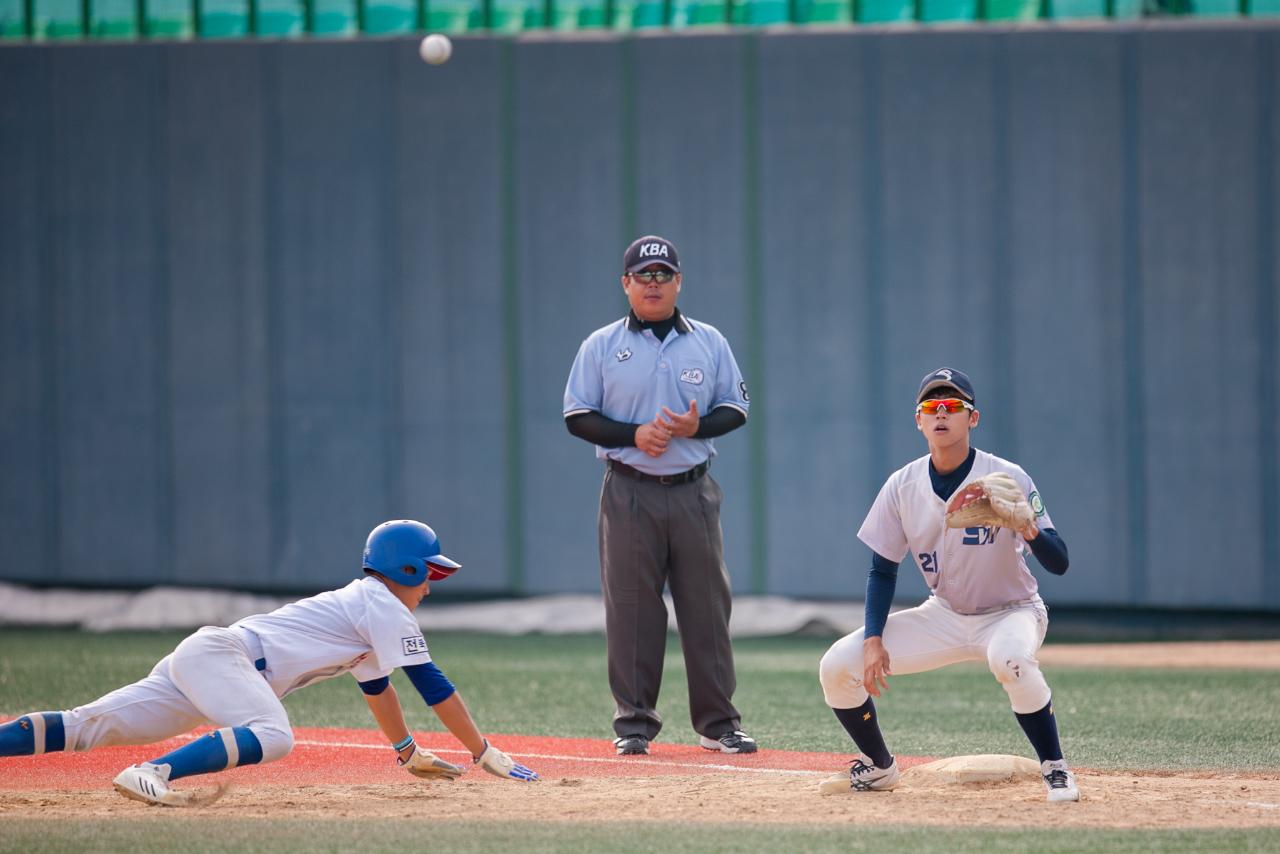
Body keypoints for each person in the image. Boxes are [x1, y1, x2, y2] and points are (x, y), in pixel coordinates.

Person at [0, 520, 539, 805]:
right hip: (227, 661)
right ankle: (153, 772)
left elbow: (379, 689)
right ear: (402, 568)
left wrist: (406, 752)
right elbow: (432, 685)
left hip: (214, 660)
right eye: (427, 573)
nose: (429, 585)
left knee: (86, 725)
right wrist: (482, 752)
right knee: (273, 734)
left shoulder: (368, 609)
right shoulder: (384, 606)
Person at [817, 368, 1079, 802]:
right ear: (918, 421)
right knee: (837, 664)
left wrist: (1030, 529)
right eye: (931, 407)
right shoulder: (902, 486)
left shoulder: (1006, 477)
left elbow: (1061, 562)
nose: (942, 413)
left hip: (1011, 610)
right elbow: (882, 570)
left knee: (1012, 660)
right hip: (944, 614)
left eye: (953, 406)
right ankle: (880, 767)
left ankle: (1056, 768)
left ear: (972, 419)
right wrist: (874, 639)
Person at [563, 235, 756, 757]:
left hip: (694, 491)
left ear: (679, 282)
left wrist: (695, 427)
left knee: (707, 608)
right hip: (629, 491)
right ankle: (633, 725)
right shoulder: (601, 345)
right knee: (631, 609)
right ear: (625, 283)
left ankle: (719, 725)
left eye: (663, 274)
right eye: (643, 275)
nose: (653, 284)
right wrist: (633, 435)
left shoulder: (709, 341)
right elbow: (577, 415)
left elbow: (735, 409)